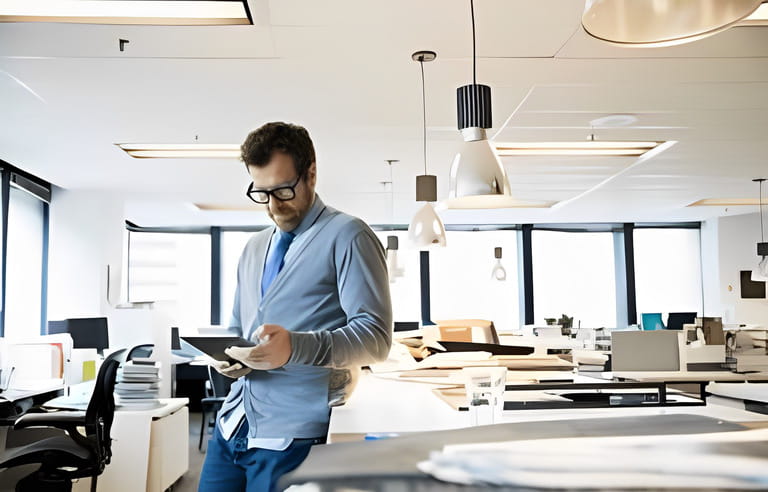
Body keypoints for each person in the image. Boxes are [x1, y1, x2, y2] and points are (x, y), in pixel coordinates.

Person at [198, 122, 393, 492]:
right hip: (232, 426)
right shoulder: (255, 247)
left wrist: (295, 348)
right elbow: (239, 325)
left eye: (283, 189)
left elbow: (376, 338)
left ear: (312, 174)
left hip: (294, 436)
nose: (273, 205)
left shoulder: (349, 235)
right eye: (262, 193)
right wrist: (232, 357)